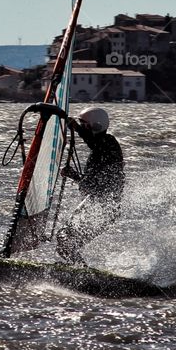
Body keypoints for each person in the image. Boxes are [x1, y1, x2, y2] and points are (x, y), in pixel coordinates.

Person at [55, 107, 124, 265]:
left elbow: (94, 142)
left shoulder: (108, 144)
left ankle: (82, 272)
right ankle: (80, 271)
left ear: (95, 126)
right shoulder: (101, 150)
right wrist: (74, 175)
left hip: (104, 208)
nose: (82, 127)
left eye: (84, 125)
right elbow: (91, 185)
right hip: (101, 206)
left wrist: (76, 128)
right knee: (65, 244)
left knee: (65, 240)